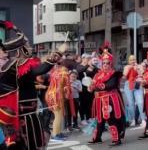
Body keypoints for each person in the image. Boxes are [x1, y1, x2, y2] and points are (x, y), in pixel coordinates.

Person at [0, 20, 63, 149]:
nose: (29, 48)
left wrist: (15, 28)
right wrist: (57, 55)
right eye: (26, 46)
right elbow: (40, 70)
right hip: (23, 115)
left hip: (26, 112)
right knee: (28, 144)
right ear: (19, 50)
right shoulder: (16, 66)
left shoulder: (11, 65)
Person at [88, 42, 126, 146]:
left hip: (109, 99)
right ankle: (97, 137)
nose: (105, 65)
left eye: (107, 63)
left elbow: (111, 85)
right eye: (103, 63)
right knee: (99, 120)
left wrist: (97, 86)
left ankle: (116, 139)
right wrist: (90, 87)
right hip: (99, 100)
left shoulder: (114, 73)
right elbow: (92, 85)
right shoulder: (97, 74)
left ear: (111, 63)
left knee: (110, 119)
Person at [46, 60, 75, 140]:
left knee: (59, 115)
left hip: (52, 95)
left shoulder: (56, 72)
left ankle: (58, 132)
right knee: (58, 116)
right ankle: (55, 134)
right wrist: (67, 91)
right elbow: (66, 86)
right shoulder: (64, 74)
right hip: (57, 96)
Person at [122, 55, 146, 127]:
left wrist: (138, 69)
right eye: (131, 60)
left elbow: (143, 74)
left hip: (137, 84)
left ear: (136, 60)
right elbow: (124, 77)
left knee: (140, 102)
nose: (133, 61)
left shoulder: (140, 66)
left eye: (134, 59)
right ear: (129, 61)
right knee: (131, 103)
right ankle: (133, 119)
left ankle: (143, 119)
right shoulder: (126, 67)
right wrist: (128, 69)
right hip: (128, 84)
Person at [76, 53, 98, 125]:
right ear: (83, 58)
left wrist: (93, 66)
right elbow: (79, 71)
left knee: (90, 103)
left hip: (90, 87)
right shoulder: (79, 66)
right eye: (87, 58)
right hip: (82, 88)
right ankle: (82, 118)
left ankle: (89, 117)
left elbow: (96, 73)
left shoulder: (91, 66)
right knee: (82, 104)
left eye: (89, 59)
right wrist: (88, 65)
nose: (88, 60)